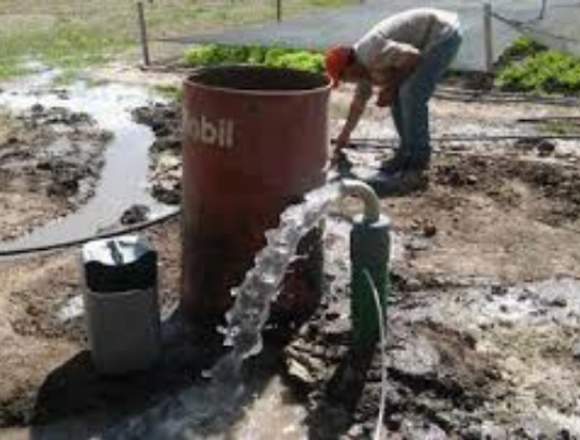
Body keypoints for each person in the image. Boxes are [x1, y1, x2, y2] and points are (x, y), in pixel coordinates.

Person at [325, 8, 462, 182]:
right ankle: (405, 152)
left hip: (443, 34)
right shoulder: (362, 69)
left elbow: (413, 57)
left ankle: (418, 160)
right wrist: (345, 135)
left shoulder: (370, 53)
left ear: (348, 68)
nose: (347, 82)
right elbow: (358, 104)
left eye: (343, 78)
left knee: (411, 93)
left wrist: (390, 87)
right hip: (428, 37)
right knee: (398, 94)